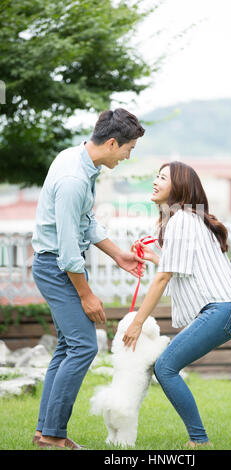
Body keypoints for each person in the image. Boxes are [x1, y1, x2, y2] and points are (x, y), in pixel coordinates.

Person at [31, 108, 145, 450]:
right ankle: (53, 435)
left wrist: (118, 253)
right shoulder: (73, 180)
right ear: (112, 143)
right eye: (129, 149)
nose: (128, 156)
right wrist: (86, 295)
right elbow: (67, 250)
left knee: (69, 345)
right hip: (57, 268)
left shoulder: (79, 161)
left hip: (58, 265)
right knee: (83, 346)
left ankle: (45, 432)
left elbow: (86, 221)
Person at [123, 161, 231, 448]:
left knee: (165, 367)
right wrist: (155, 259)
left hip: (222, 309)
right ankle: (198, 439)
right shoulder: (188, 218)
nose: (155, 181)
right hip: (227, 310)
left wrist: (137, 322)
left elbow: (164, 278)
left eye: (162, 177)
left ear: (178, 186)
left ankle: (199, 441)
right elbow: (175, 269)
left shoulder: (182, 219)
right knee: (167, 367)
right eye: (156, 175)